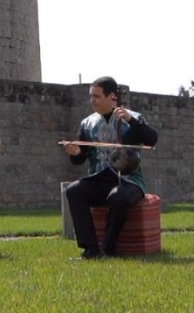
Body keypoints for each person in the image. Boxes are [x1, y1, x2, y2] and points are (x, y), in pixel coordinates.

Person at [63, 76, 158, 259]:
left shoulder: (134, 118)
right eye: (91, 96)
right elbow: (80, 159)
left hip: (129, 180)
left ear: (112, 97)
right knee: (74, 190)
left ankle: (108, 249)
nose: (92, 101)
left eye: (97, 97)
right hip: (99, 179)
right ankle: (91, 249)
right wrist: (75, 152)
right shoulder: (87, 123)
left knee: (118, 196)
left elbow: (152, 139)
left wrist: (130, 120)